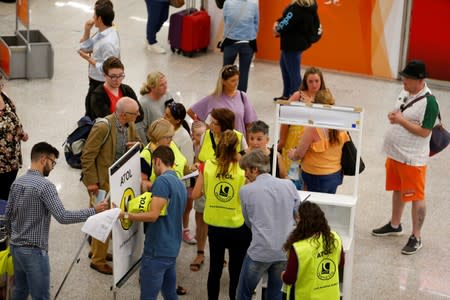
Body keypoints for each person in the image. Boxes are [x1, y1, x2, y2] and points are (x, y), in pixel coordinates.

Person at [6, 142, 109, 300]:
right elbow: (63, 216)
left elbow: (8, 215)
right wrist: (94, 210)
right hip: (34, 252)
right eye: (52, 162)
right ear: (43, 159)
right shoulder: (45, 186)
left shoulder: (17, 182)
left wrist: (13, 240)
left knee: (20, 291)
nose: (53, 166)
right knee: (41, 296)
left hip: (15, 248)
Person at [372, 60, 439, 255]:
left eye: (407, 79)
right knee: (397, 189)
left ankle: (416, 236)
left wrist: (400, 120)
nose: (403, 82)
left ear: (419, 80)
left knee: (416, 197)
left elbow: (425, 132)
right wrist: (395, 116)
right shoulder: (405, 92)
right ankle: (395, 224)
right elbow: (401, 111)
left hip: (412, 159)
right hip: (395, 154)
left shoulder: (430, 102)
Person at [81, 97, 141, 275]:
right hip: (102, 182)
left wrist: (137, 145)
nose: (138, 115)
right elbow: (87, 155)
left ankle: (96, 251)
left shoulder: (129, 125)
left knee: (104, 218)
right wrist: (91, 182)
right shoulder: (103, 127)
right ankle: (97, 260)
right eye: (134, 113)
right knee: (103, 220)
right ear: (123, 114)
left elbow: (139, 142)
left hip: (118, 180)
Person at [120, 145, 187, 299]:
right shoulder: (179, 183)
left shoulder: (162, 181)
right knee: (170, 294)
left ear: (157, 161)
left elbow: (153, 215)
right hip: (172, 247)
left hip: (157, 249)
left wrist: (125, 215)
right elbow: (166, 210)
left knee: (148, 296)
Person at [191, 130, 252, 300]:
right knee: (236, 271)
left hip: (215, 225)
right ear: (237, 148)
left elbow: (195, 194)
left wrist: (208, 190)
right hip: (237, 225)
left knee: (215, 269)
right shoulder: (243, 169)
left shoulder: (207, 165)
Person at [236, 150, 300, 300]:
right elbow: (298, 215)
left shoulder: (246, 191)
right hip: (284, 251)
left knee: (243, 293)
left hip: (260, 251)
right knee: (276, 295)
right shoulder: (289, 185)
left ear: (255, 169)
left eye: (246, 170)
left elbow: (248, 222)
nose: (245, 175)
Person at [288, 89, 349, 193]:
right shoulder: (341, 125)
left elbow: (299, 154)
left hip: (315, 176)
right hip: (335, 174)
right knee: (327, 205)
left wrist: (292, 154)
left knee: (313, 207)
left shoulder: (313, 129)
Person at [281, 201, 344, 300]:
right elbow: (340, 264)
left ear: (302, 223)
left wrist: (283, 275)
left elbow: (289, 279)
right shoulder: (335, 238)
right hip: (331, 296)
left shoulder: (299, 248)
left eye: (297, 218)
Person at [278, 67, 327, 189]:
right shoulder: (297, 96)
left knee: (307, 177)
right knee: (290, 178)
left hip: (314, 142)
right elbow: (284, 119)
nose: (314, 84)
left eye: (317, 81)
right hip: (293, 141)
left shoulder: (325, 97)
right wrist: (282, 140)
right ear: (305, 82)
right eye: (310, 81)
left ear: (321, 81)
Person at [187, 65, 257, 136]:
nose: (236, 83)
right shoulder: (213, 98)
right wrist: (207, 128)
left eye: (237, 80)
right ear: (223, 82)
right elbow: (191, 112)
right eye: (233, 81)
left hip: (239, 141)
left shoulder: (242, 96)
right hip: (220, 142)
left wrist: (249, 145)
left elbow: (249, 124)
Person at [163, 102, 197, 244]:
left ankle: (180, 233)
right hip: (164, 179)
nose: (163, 117)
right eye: (164, 114)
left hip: (177, 183)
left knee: (177, 212)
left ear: (177, 120)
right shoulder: (164, 129)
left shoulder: (183, 138)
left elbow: (187, 166)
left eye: (167, 116)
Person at [79, 0, 119, 115]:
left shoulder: (108, 42)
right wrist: (87, 29)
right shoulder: (102, 33)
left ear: (100, 19)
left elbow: (110, 69)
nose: (92, 18)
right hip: (94, 80)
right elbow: (85, 47)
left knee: (91, 113)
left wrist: (89, 59)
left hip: (100, 83)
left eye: (94, 15)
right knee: (89, 108)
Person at [273, 0, 318, 100]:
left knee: (293, 74)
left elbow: (286, 22)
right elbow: (288, 19)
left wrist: (277, 28)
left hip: (292, 44)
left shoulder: (297, 7)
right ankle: (287, 95)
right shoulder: (310, 6)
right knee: (286, 69)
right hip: (295, 43)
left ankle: (295, 98)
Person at [87, 56, 143, 122]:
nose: (117, 80)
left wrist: (122, 118)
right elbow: (110, 122)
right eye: (113, 76)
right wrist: (130, 116)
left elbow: (140, 115)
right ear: (105, 75)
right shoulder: (97, 95)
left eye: (120, 75)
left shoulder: (128, 90)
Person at [0, 74, 29, 201]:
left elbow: (12, 116)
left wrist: (21, 133)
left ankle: (5, 214)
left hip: (12, 156)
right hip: (0, 161)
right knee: (2, 192)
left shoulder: (4, 95)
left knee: (8, 188)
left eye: (0, 83)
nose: (1, 86)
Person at [140, 118, 189, 192]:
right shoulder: (146, 156)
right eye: (167, 137)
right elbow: (143, 184)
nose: (171, 140)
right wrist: (164, 186)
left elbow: (181, 163)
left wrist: (190, 169)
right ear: (158, 137)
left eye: (172, 136)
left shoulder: (169, 144)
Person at [222, 0, 259, 92]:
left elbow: (225, 19)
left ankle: (225, 95)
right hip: (248, 41)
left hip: (230, 40)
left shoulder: (227, 3)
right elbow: (256, 23)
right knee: (244, 73)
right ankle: (241, 97)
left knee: (226, 71)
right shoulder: (254, 5)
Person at [190, 121, 208, 272]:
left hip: (212, 185)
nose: (201, 138)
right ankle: (200, 252)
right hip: (199, 185)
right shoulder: (191, 147)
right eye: (198, 135)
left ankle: (218, 253)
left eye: (204, 134)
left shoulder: (214, 144)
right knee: (200, 219)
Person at [137, 72, 173, 144]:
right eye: (161, 85)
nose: (165, 86)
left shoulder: (167, 94)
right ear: (152, 87)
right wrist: (146, 147)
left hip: (168, 136)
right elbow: (140, 129)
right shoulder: (143, 103)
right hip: (154, 142)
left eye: (165, 83)